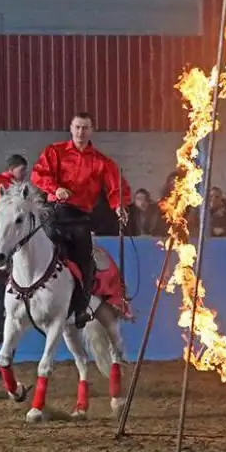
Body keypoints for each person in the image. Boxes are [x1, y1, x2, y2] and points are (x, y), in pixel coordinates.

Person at [30, 112, 131, 328]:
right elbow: (38, 175)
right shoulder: (54, 152)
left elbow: (116, 188)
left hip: (79, 220)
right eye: (77, 127)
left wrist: (119, 205)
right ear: (70, 128)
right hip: (53, 215)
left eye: (85, 128)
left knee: (86, 263)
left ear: (91, 130)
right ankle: (17, 298)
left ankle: (81, 308)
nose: (80, 132)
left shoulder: (102, 162)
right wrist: (56, 189)